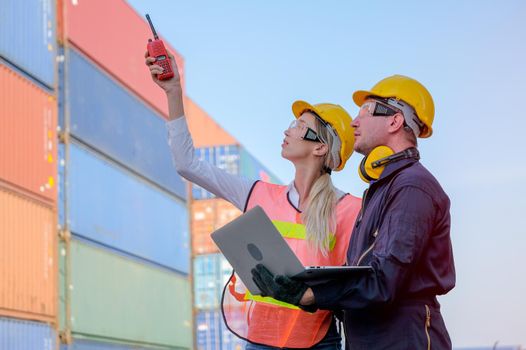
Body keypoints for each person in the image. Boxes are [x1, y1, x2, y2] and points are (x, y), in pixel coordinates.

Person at [145, 52, 362, 349]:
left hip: (318, 342)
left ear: (321, 147)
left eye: (299, 126)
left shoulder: (352, 210)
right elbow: (187, 164)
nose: (287, 130)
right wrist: (173, 92)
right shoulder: (258, 194)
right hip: (260, 339)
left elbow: (359, 286)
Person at [251, 75, 455, 349]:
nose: (353, 122)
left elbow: (384, 279)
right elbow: (361, 272)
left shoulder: (411, 188)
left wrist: (311, 294)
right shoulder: (382, 188)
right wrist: (303, 283)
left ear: (394, 121)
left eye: (364, 112)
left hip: (402, 340)